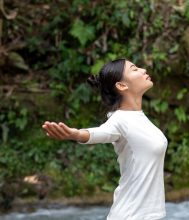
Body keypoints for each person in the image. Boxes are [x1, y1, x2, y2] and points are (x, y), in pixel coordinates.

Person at [41, 59, 168, 220]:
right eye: (134, 69)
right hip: (131, 215)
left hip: (150, 215)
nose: (143, 70)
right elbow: (100, 133)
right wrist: (76, 134)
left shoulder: (140, 118)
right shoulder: (120, 119)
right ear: (122, 85)